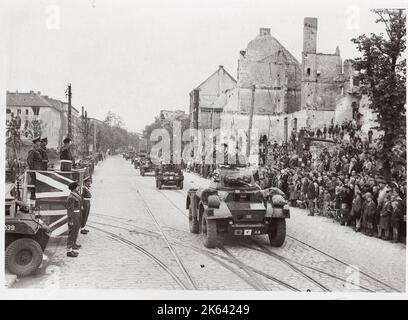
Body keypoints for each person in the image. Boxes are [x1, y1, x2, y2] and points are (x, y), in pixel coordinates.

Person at [66, 181, 82, 257]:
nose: (79, 188)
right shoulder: (71, 197)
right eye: (78, 187)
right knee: (72, 233)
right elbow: (70, 210)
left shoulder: (75, 195)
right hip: (74, 216)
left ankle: (73, 245)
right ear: (75, 188)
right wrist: (71, 220)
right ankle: (69, 251)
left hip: (77, 215)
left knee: (75, 231)